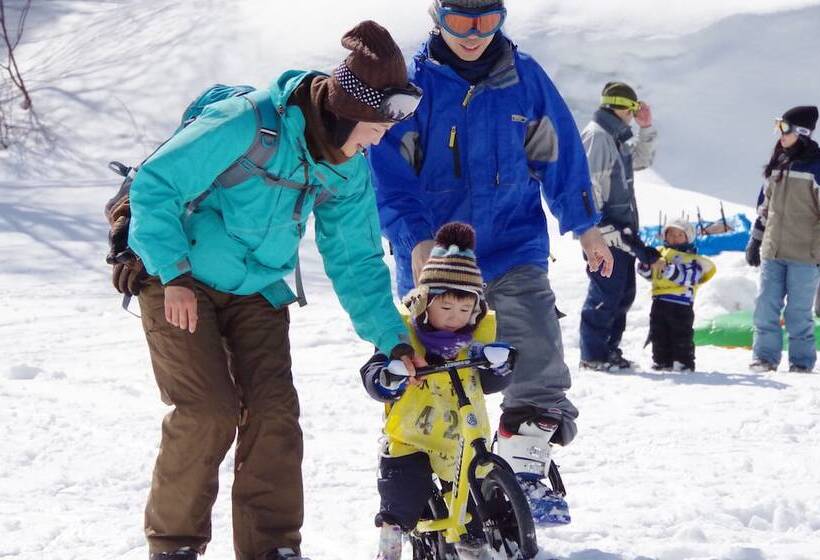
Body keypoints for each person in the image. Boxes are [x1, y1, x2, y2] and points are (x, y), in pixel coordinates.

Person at [119, 21, 423, 560]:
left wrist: (389, 338)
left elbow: (355, 258)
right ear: (345, 113)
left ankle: (272, 548)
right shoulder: (246, 123)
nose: (380, 138)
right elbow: (155, 184)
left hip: (257, 289)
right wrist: (173, 275)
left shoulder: (347, 168)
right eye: (375, 126)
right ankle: (174, 545)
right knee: (208, 410)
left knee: (275, 413)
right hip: (178, 278)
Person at [368, 0, 614, 524]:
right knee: (435, 372)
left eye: (487, 21)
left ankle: (524, 465)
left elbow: (559, 154)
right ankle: (427, 473)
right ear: (437, 18)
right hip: (436, 261)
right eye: (461, 22)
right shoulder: (413, 87)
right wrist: (415, 243)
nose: (474, 34)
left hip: (512, 245)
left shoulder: (523, 80)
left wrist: (586, 227)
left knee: (536, 349)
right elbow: (389, 178)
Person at [360, 222, 515, 559]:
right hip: (411, 436)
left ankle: (479, 542)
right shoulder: (403, 337)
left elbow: (489, 382)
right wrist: (388, 377)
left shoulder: (475, 340)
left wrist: (498, 366)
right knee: (403, 490)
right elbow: (373, 371)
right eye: (445, 308)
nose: (454, 318)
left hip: (460, 437)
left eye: (464, 309)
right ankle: (391, 538)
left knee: (477, 493)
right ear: (425, 303)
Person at [579, 81, 659, 372]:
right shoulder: (598, 137)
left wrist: (646, 129)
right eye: (634, 109)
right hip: (604, 233)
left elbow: (642, 160)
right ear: (623, 107)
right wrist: (601, 229)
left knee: (623, 293)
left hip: (622, 232)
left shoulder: (616, 138)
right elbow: (589, 186)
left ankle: (609, 349)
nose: (635, 114)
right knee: (605, 293)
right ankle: (593, 354)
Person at [745, 105, 820, 373]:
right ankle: (764, 357)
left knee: (798, 313)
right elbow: (765, 207)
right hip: (773, 250)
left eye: (784, 129)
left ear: (802, 132)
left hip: (805, 254)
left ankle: (801, 362)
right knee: (766, 306)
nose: (780, 135)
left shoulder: (816, 168)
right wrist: (756, 239)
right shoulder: (779, 164)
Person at [638, 218, 716, 372]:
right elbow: (647, 274)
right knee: (658, 333)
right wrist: (647, 264)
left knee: (681, 335)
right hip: (659, 301)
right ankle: (661, 361)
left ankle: (683, 362)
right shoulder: (659, 254)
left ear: (688, 237)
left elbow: (686, 277)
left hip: (681, 305)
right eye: (670, 234)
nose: (674, 237)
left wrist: (666, 268)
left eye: (679, 234)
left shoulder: (693, 260)